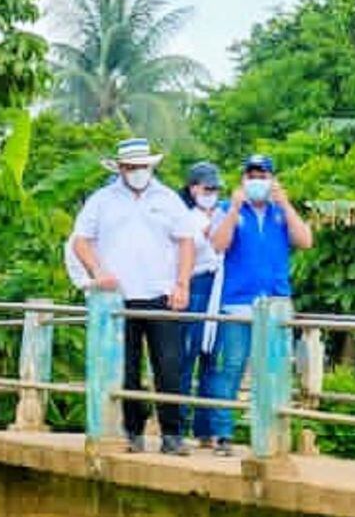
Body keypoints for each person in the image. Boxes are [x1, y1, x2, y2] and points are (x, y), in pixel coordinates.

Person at [69, 137, 197, 455]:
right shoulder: (101, 200)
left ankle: (172, 434)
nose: (137, 172)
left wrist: (182, 284)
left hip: (161, 295)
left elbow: (186, 242)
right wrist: (98, 272)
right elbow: (80, 241)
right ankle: (132, 431)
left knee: (169, 366)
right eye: (131, 167)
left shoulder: (168, 199)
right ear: (121, 168)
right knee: (125, 370)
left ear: (150, 166)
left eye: (142, 166)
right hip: (118, 299)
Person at [195, 153, 316, 452]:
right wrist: (235, 208)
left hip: (276, 302)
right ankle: (223, 435)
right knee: (231, 367)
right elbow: (218, 244)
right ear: (243, 180)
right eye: (251, 176)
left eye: (262, 176)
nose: (257, 181)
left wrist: (286, 204)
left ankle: (271, 437)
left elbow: (305, 240)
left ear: (272, 179)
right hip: (237, 302)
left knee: (273, 369)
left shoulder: (280, 212)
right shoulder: (227, 209)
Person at [176, 161, 229, 447]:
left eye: (215, 188)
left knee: (213, 360)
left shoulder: (224, 214)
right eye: (206, 187)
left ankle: (206, 429)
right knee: (187, 356)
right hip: (195, 284)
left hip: (221, 287)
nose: (211, 192)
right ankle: (178, 426)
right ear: (193, 188)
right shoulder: (184, 216)